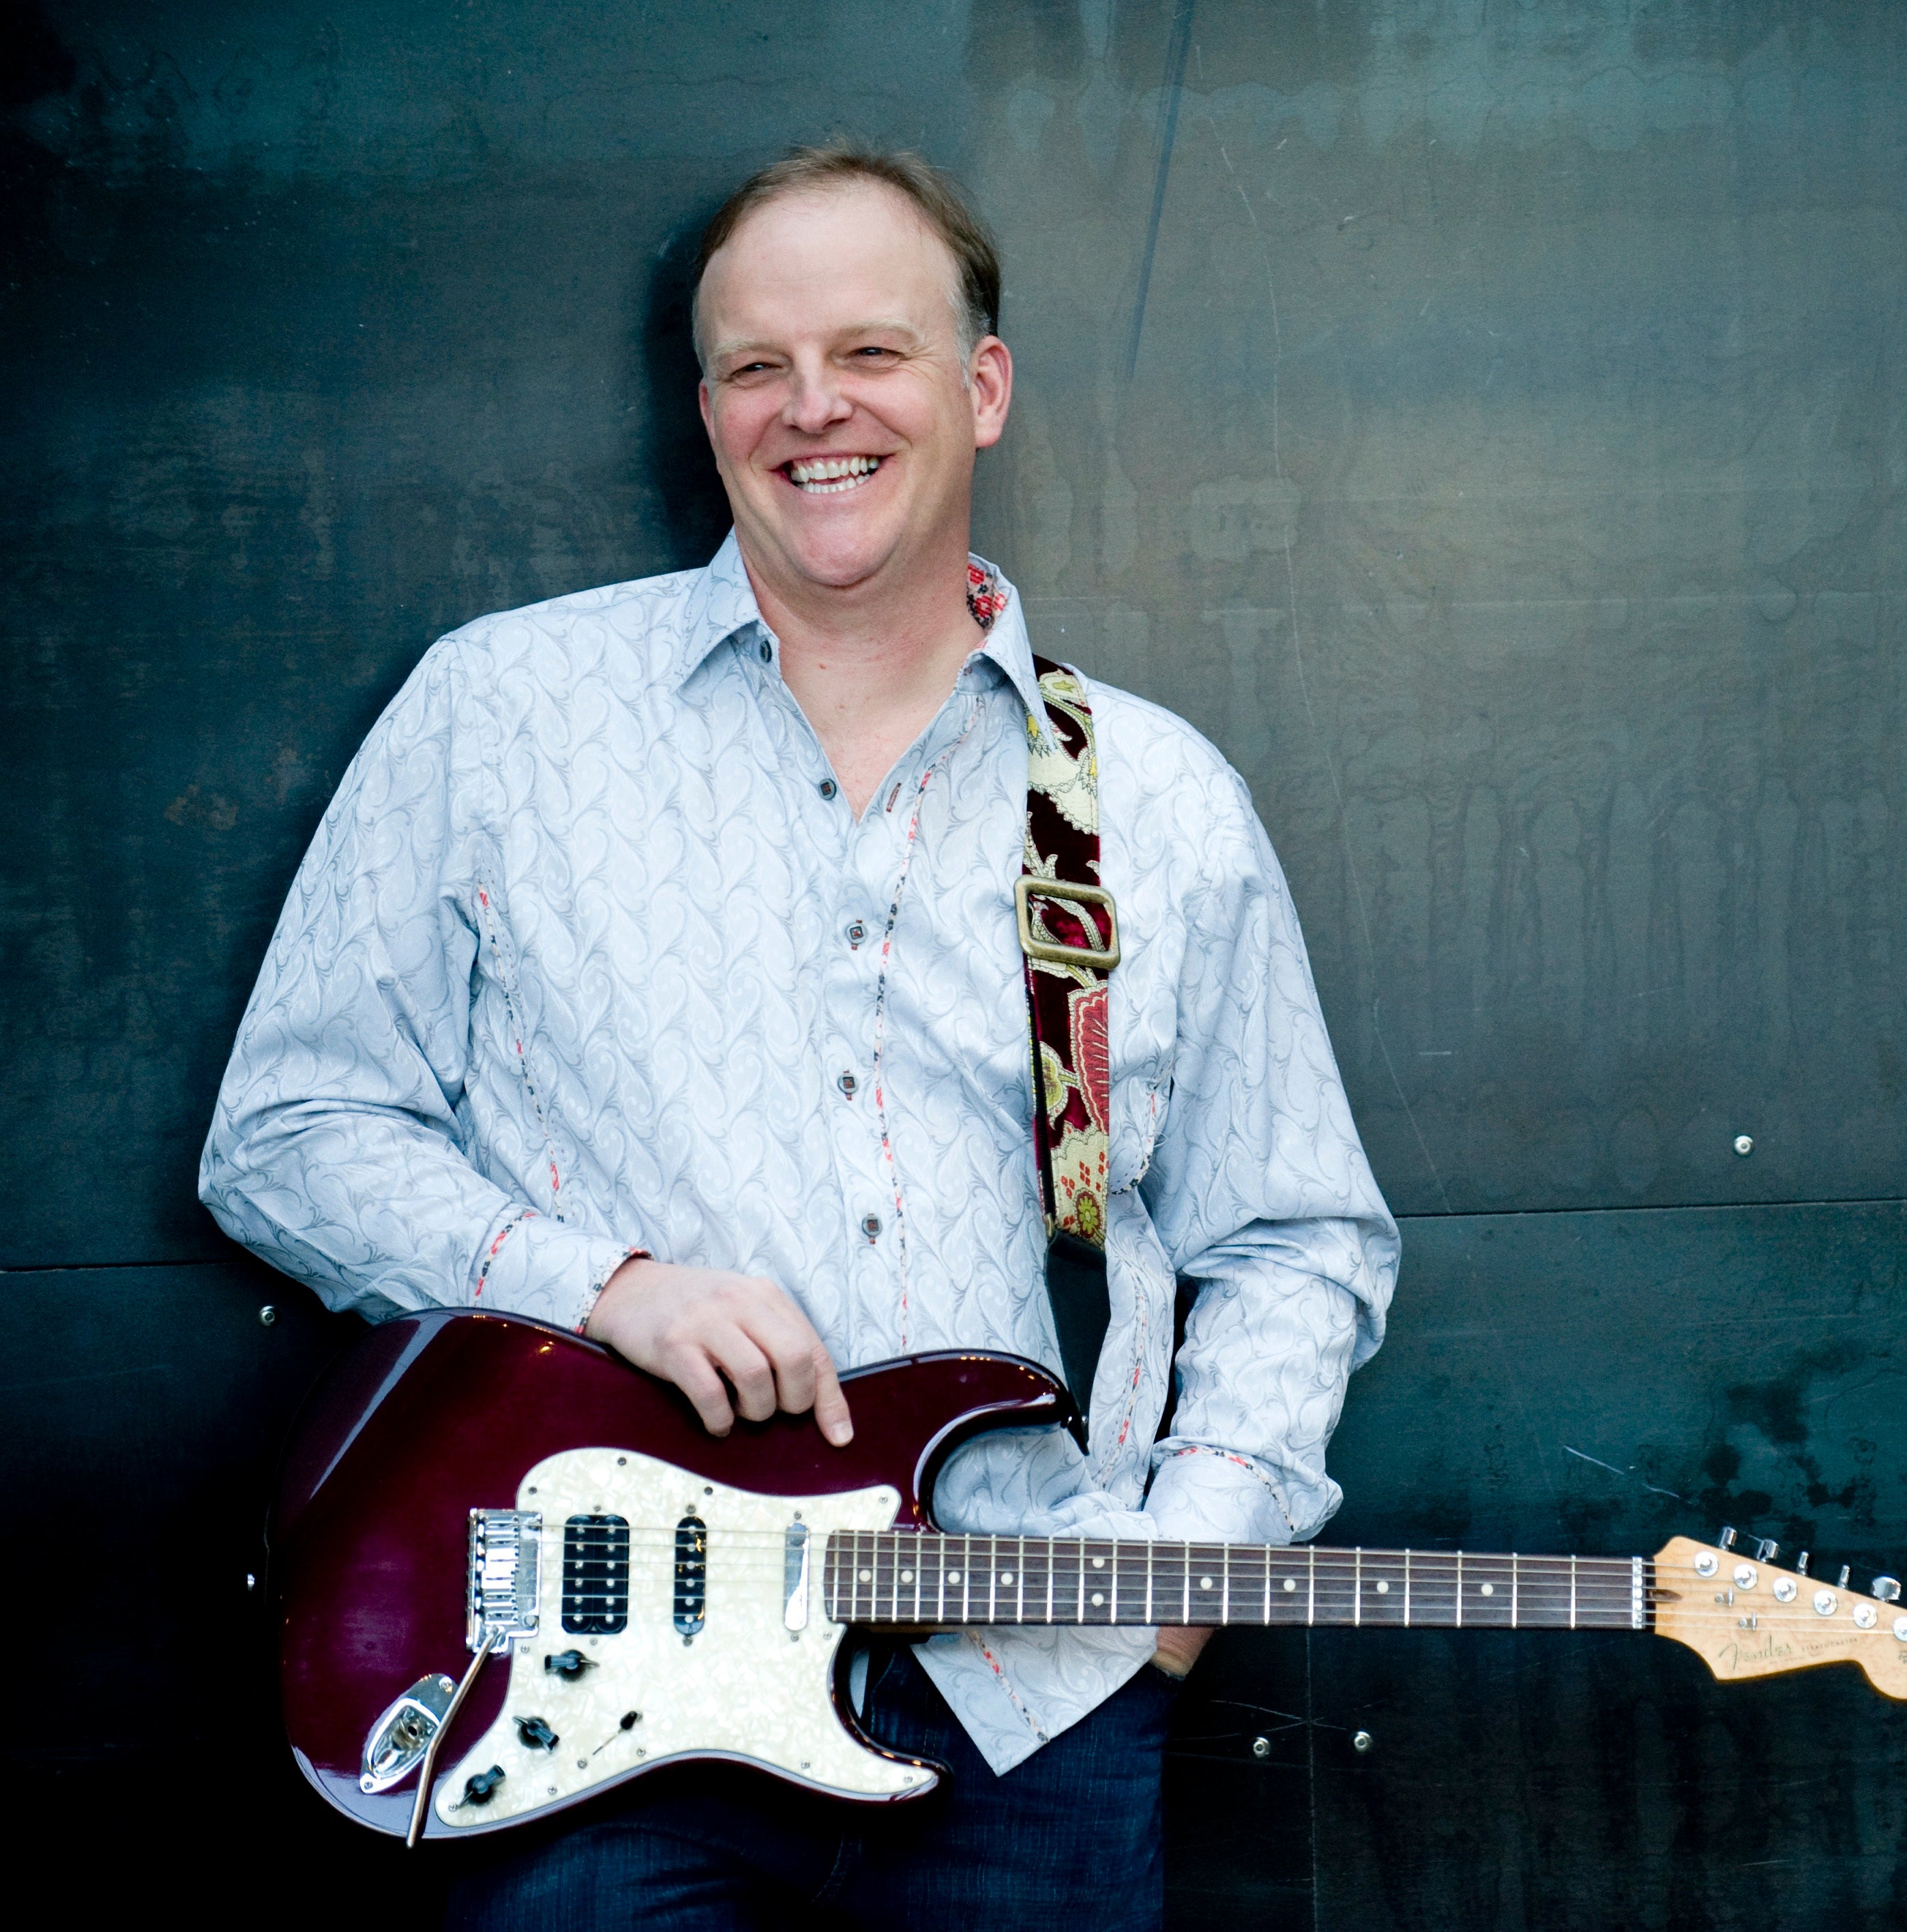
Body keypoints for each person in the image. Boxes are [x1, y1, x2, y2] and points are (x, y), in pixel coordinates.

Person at [199, 144, 1397, 1931]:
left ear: (981, 389)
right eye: (758, 366)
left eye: (872, 354)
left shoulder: (1146, 799)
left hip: (1031, 1707)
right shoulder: (500, 713)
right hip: (598, 1705)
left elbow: (1293, 1238)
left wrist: (1187, 1558)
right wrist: (603, 1286)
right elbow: (288, 1130)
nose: (813, 409)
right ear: (706, 410)